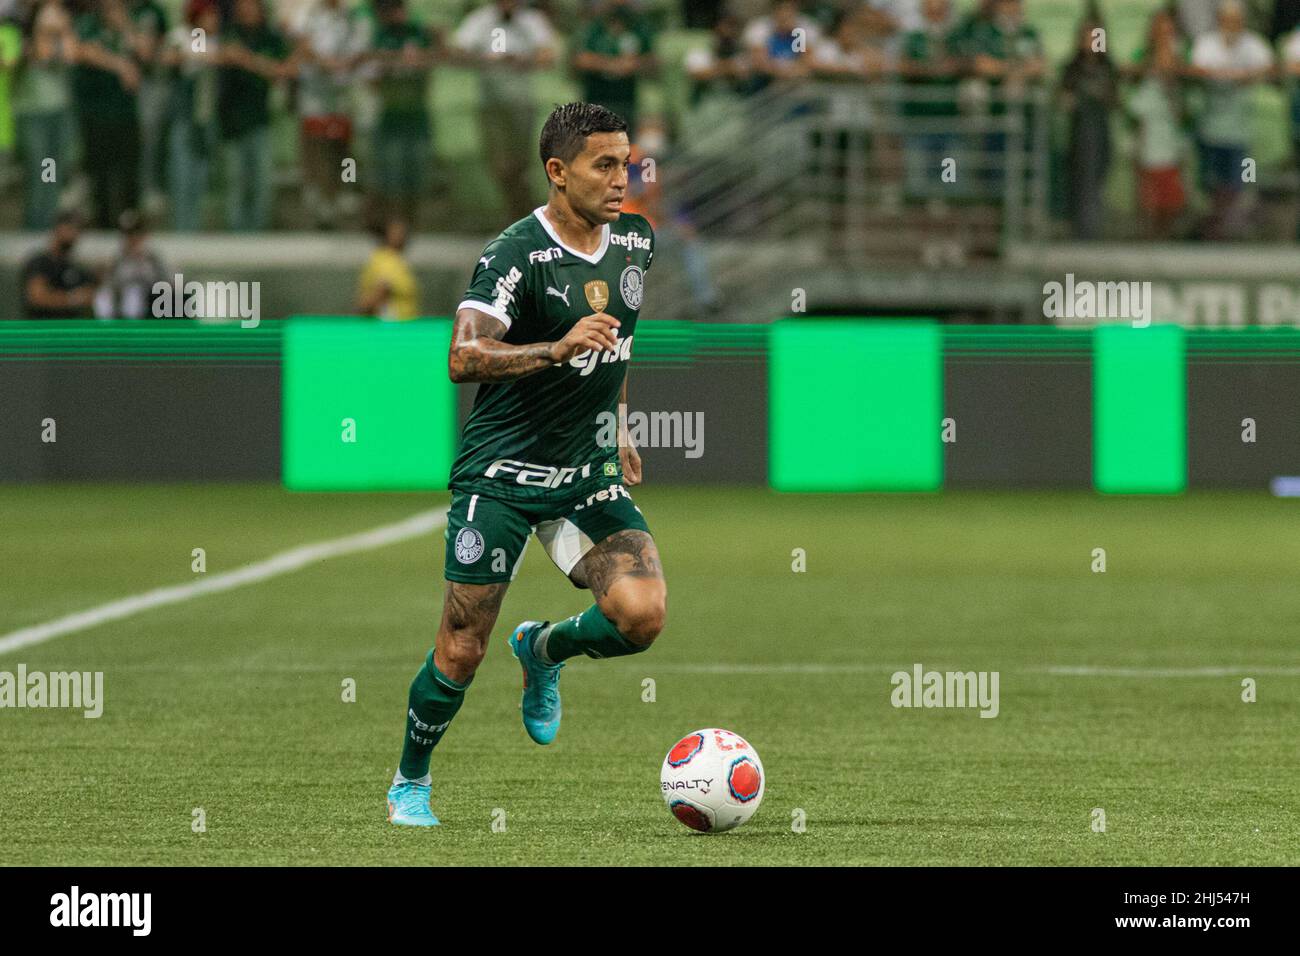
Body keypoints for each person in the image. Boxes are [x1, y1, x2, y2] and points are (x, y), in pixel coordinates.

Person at [386, 102, 665, 827]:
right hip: (502, 477)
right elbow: (462, 356)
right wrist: (553, 348)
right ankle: (410, 782)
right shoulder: (514, 253)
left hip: (584, 473)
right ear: (557, 171)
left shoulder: (634, 240)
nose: (620, 178)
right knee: (461, 645)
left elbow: (616, 344)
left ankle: (543, 648)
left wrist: (621, 426)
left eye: (626, 162)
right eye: (603, 164)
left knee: (641, 616)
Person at [452, 0, 558, 223]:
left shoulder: (531, 20)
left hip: (521, 101)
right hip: (490, 102)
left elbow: (548, 55)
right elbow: (458, 52)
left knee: (519, 164)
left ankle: (521, 215)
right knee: (499, 163)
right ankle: (519, 213)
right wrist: (485, 59)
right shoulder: (481, 19)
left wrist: (523, 60)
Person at [1188, 0, 1273, 239]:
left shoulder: (1253, 43)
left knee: (1241, 178)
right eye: (1227, 20)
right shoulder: (1206, 43)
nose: (1232, 25)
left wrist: (1241, 76)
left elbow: (1269, 67)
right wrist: (1234, 75)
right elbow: (1197, 70)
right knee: (1211, 181)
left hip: (1240, 128)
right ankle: (1213, 227)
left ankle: (1232, 227)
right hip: (1211, 126)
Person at [290, 0, 370, 230]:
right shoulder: (307, 15)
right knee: (317, 144)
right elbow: (301, 46)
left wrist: (344, 65)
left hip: (342, 92)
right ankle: (317, 195)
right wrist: (324, 63)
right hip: (315, 94)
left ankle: (344, 189)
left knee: (342, 146)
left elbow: (361, 49)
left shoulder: (352, 17)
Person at [217, 0, 291, 231]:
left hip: (260, 120)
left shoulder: (271, 38)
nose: (246, 11)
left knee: (261, 183)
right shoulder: (229, 34)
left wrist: (247, 60)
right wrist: (258, 64)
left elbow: (282, 71)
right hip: (231, 121)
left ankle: (257, 232)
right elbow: (216, 54)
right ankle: (236, 234)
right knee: (235, 183)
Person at [366, 0, 438, 227]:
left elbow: (435, 63)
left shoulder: (419, 33)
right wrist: (390, 63)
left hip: (417, 118)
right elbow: (372, 78)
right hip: (390, 119)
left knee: (416, 175)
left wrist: (426, 53)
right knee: (391, 177)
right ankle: (394, 225)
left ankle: (412, 224)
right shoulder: (380, 36)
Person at [71, 0, 142, 228]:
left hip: (126, 114)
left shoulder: (129, 29)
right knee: (100, 175)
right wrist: (120, 66)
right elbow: (83, 51)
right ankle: (104, 225)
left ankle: (130, 228)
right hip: (97, 113)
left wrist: (127, 29)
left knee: (129, 173)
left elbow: (147, 53)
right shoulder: (88, 25)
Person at [14, 0, 78, 230]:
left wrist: (63, 30)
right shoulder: (28, 39)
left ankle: (49, 225)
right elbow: (42, 55)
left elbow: (71, 56)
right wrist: (50, 30)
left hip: (58, 113)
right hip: (34, 114)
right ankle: (34, 225)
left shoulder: (62, 35)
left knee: (52, 172)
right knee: (39, 170)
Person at [1127, 7, 1189, 239]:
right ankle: (1145, 232)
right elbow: (1129, 78)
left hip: (1172, 125)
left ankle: (1168, 231)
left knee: (1171, 181)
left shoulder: (1183, 53)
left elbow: (1186, 81)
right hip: (1146, 123)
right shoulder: (1141, 54)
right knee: (1146, 179)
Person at [163, 0, 222, 231]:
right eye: (210, 16)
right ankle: (181, 227)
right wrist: (197, 57)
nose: (215, 21)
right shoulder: (181, 36)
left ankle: (193, 227)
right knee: (182, 175)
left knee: (200, 177)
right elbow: (169, 57)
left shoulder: (217, 40)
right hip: (184, 116)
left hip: (205, 117)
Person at [1058, 15, 1118, 240]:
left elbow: (1114, 99)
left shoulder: (1107, 67)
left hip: (1101, 129)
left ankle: (1094, 227)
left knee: (1098, 177)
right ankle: (1080, 228)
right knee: (1079, 178)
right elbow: (1063, 99)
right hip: (1079, 132)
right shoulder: (1072, 68)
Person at [572, 0, 657, 135]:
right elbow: (580, 59)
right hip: (597, 99)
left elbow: (653, 61)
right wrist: (610, 65)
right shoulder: (594, 28)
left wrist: (634, 64)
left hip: (627, 101)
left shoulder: (639, 28)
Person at [21, 210, 97, 318]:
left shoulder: (74, 267)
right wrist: (73, 299)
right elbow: (37, 297)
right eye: (70, 227)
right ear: (57, 228)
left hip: (70, 330)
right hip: (43, 329)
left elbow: (91, 295)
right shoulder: (40, 262)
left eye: (78, 229)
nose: (75, 233)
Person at [93, 209, 168, 319]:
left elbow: (164, 280)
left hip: (147, 297)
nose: (132, 237)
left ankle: (132, 332)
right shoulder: (118, 257)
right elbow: (110, 282)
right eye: (128, 233)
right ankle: (106, 331)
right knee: (103, 296)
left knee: (133, 294)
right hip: (119, 293)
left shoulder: (152, 257)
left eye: (136, 233)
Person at [355, 216, 418, 319]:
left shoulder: (398, 259)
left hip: (404, 326)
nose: (401, 236)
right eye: (396, 232)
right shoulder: (385, 259)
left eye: (402, 232)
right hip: (393, 327)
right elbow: (380, 291)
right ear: (386, 235)